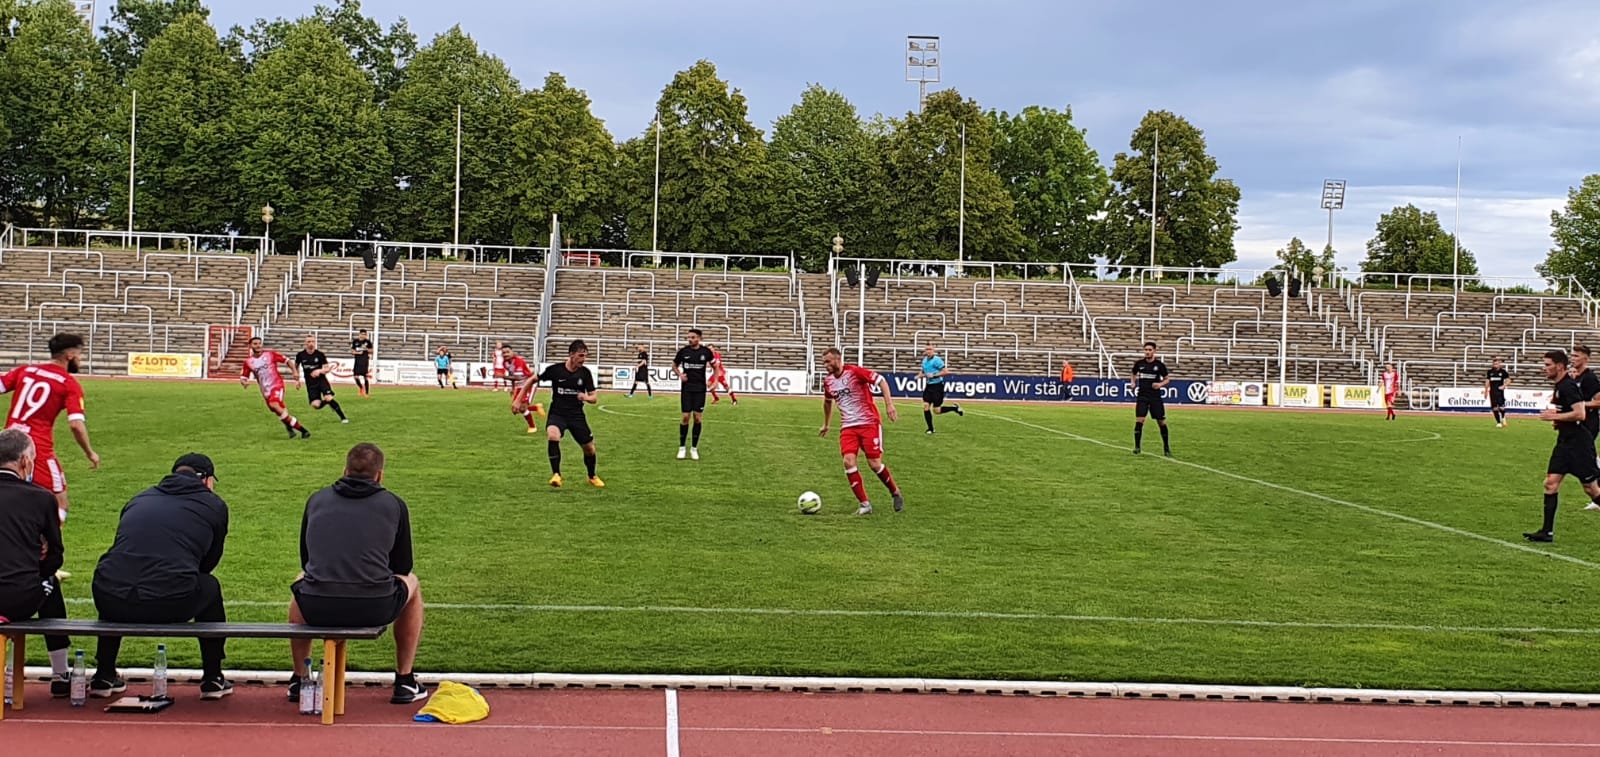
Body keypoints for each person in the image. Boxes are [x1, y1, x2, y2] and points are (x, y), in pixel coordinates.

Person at [287, 443, 428, 705]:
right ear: (379, 476)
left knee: (301, 581)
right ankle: (405, 679)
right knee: (412, 582)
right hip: (374, 607)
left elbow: (307, 562)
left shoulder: (316, 500)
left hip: (318, 606)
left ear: (345, 471)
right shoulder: (394, 504)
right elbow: (403, 567)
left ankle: (300, 678)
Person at [90, 453, 232, 699]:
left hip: (110, 598)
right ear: (207, 480)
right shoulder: (214, 505)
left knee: (118, 577)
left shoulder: (139, 498)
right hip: (169, 601)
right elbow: (208, 564)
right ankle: (212, 676)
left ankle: (103, 672)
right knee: (209, 586)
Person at [0, 429, 72, 697]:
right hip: (17, 598)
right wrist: (35, 569)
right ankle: (60, 673)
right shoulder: (41, 498)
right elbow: (55, 555)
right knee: (51, 583)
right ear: (24, 461)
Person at [0, 333, 100, 526]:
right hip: (36, 450)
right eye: (80, 354)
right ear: (70, 355)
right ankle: (44, 544)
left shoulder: (26, 370)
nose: (80, 359)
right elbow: (76, 424)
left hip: (6, 442)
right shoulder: (69, 384)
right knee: (60, 504)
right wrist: (90, 452)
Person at [818, 347, 903, 515]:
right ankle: (865, 504)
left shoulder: (855, 372)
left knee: (874, 464)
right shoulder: (828, 381)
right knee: (848, 462)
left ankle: (895, 492)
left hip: (869, 424)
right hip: (848, 427)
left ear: (838, 359)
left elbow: (881, 381)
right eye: (824, 363)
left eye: (828, 362)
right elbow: (827, 402)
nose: (825, 365)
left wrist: (889, 404)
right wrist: (826, 424)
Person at [1527, 350, 1600, 542]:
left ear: (1559, 366)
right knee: (1550, 483)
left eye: (1548, 365)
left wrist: (1555, 416)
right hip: (1564, 442)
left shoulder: (1568, 386)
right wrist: (1558, 421)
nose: (1544, 369)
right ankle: (1547, 532)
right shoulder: (1560, 385)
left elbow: (1580, 414)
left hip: (1579, 444)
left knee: (1591, 489)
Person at [515, 340, 602, 488]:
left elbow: (594, 398)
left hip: (576, 415)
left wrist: (586, 397)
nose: (584, 359)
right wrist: (518, 400)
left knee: (589, 449)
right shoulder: (556, 370)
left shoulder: (585, 373)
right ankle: (556, 475)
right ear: (571, 354)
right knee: (553, 435)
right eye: (581, 355)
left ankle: (592, 476)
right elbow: (532, 379)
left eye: (585, 356)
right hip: (558, 413)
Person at [241, 337, 309, 439]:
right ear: (250, 346)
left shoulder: (270, 355)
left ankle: (304, 431)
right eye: (255, 344)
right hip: (265, 391)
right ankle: (290, 428)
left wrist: (295, 372)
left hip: (277, 385)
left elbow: (287, 361)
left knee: (274, 405)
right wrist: (244, 382)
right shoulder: (249, 362)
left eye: (259, 343)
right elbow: (244, 377)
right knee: (278, 410)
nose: (258, 346)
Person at [673, 330, 714, 460]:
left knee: (697, 418)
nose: (690, 339)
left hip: (700, 389)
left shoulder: (706, 352)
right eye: (688, 337)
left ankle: (694, 449)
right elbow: (674, 365)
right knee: (685, 417)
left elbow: (716, 366)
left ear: (699, 338)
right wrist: (680, 375)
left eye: (692, 337)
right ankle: (682, 448)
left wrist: (715, 381)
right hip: (687, 389)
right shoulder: (683, 351)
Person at [1130, 341, 1172, 457]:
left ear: (1154, 351)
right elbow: (1133, 373)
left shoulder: (1159, 365)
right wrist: (1133, 382)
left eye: (1150, 350)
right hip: (1142, 396)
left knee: (1161, 421)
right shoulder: (1139, 364)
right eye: (1146, 350)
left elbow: (1167, 379)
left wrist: (1160, 384)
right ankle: (1137, 447)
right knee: (1140, 420)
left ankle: (1166, 447)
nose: (1147, 352)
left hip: (1155, 397)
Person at [294, 335, 348, 424]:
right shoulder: (300, 355)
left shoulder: (319, 354)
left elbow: (327, 368)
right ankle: (328, 402)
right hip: (310, 383)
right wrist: (297, 380)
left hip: (321, 380)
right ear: (305, 343)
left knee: (328, 397)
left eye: (313, 341)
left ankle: (343, 418)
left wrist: (319, 371)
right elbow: (295, 367)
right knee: (316, 405)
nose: (311, 343)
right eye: (309, 342)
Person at [920, 344, 964, 434]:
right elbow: (923, 371)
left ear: (933, 350)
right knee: (926, 406)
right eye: (927, 349)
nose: (928, 351)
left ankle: (954, 408)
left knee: (937, 410)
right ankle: (930, 429)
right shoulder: (924, 361)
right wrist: (920, 375)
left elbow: (946, 371)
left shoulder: (937, 360)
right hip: (928, 386)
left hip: (937, 386)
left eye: (930, 349)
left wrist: (934, 375)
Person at [502, 345, 543, 432]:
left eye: (507, 352)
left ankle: (532, 427)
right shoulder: (505, 363)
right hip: (520, 385)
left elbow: (518, 377)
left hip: (529, 383)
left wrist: (501, 376)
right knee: (515, 410)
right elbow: (512, 376)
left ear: (512, 352)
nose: (505, 354)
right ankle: (536, 408)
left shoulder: (518, 361)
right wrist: (513, 388)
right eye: (504, 353)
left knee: (522, 408)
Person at [1485, 358, 1511, 428]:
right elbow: (1487, 381)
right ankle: (1498, 422)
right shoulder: (1490, 372)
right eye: (1494, 364)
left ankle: (1503, 417)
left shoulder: (1503, 372)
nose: (1495, 365)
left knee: (1502, 407)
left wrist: (1504, 385)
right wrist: (1486, 391)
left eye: (1496, 364)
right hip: (1492, 392)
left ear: (1499, 364)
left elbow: (1509, 380)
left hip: (1500, 392)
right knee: (1494, 408)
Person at [350, 330, 374, 398]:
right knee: (355, 377)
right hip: (357, 361)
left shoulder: (368, 342)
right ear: (359, 334)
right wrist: (358, 353)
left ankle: (367, 393)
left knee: (365, 377)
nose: (363, 335)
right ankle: (361, 387)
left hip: (365, 361)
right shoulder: (355, 341)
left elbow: (372, 351)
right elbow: (352, 351)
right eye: (362, 334)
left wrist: (366, 349)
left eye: (364, 334)